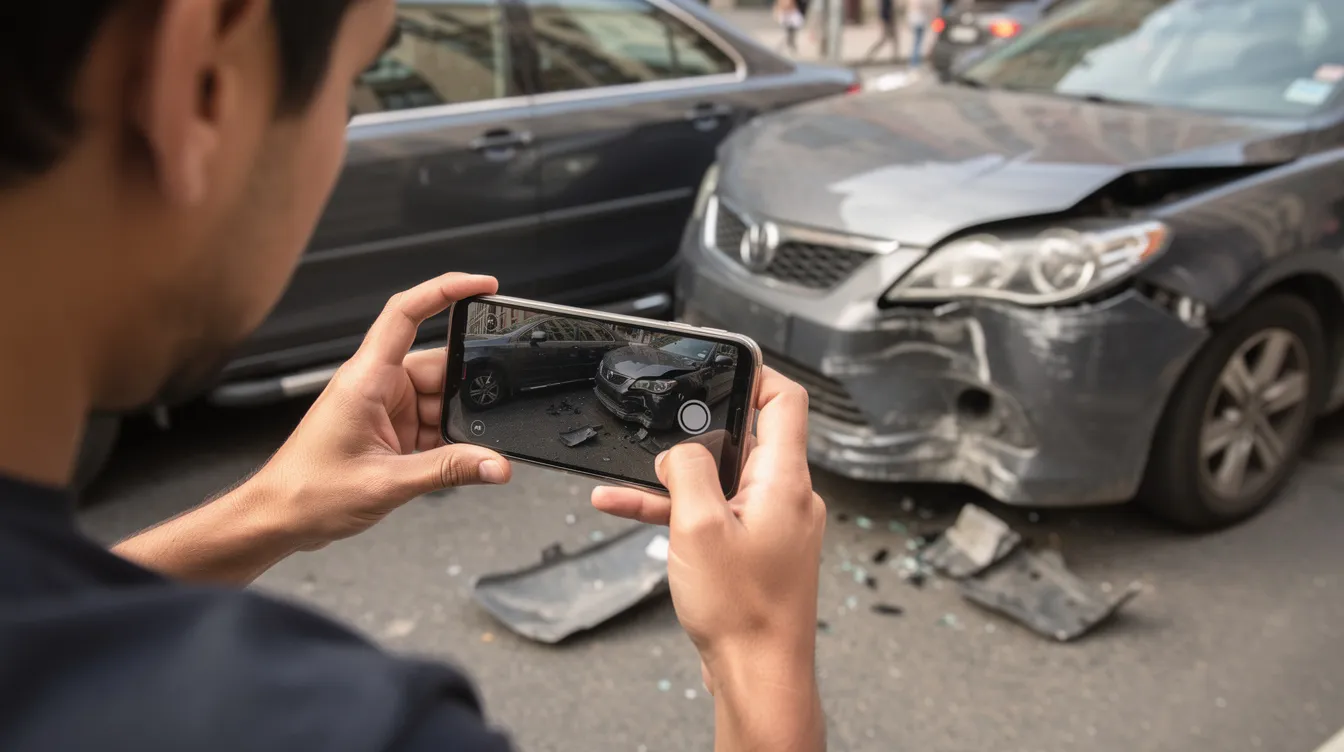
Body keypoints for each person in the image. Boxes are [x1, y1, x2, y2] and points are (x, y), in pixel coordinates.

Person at [0, 3, 828, 751]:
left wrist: (272, 510)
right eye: (354, 87)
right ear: (201, 78)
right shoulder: (335, 726)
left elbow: (49, 631)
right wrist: (760, 652)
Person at [905, 0, 942, 68]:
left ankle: (914, 62)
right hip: (920, 21)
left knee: (917, 42)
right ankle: (914, 63)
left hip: (915, 20)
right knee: (918, 42)